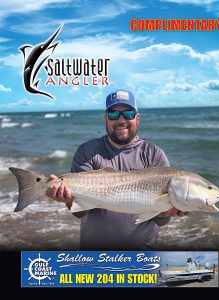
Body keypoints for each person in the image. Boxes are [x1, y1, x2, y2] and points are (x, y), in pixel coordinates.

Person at [46, 89, 186, 250]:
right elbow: (79, 212)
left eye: (128, 114)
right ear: (106, 118)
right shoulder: (87, 152)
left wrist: (168, 210)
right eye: (113, 114)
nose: (121, 120)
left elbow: (160, 221)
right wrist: (67, 198)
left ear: (137, 118)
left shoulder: (154, 155)